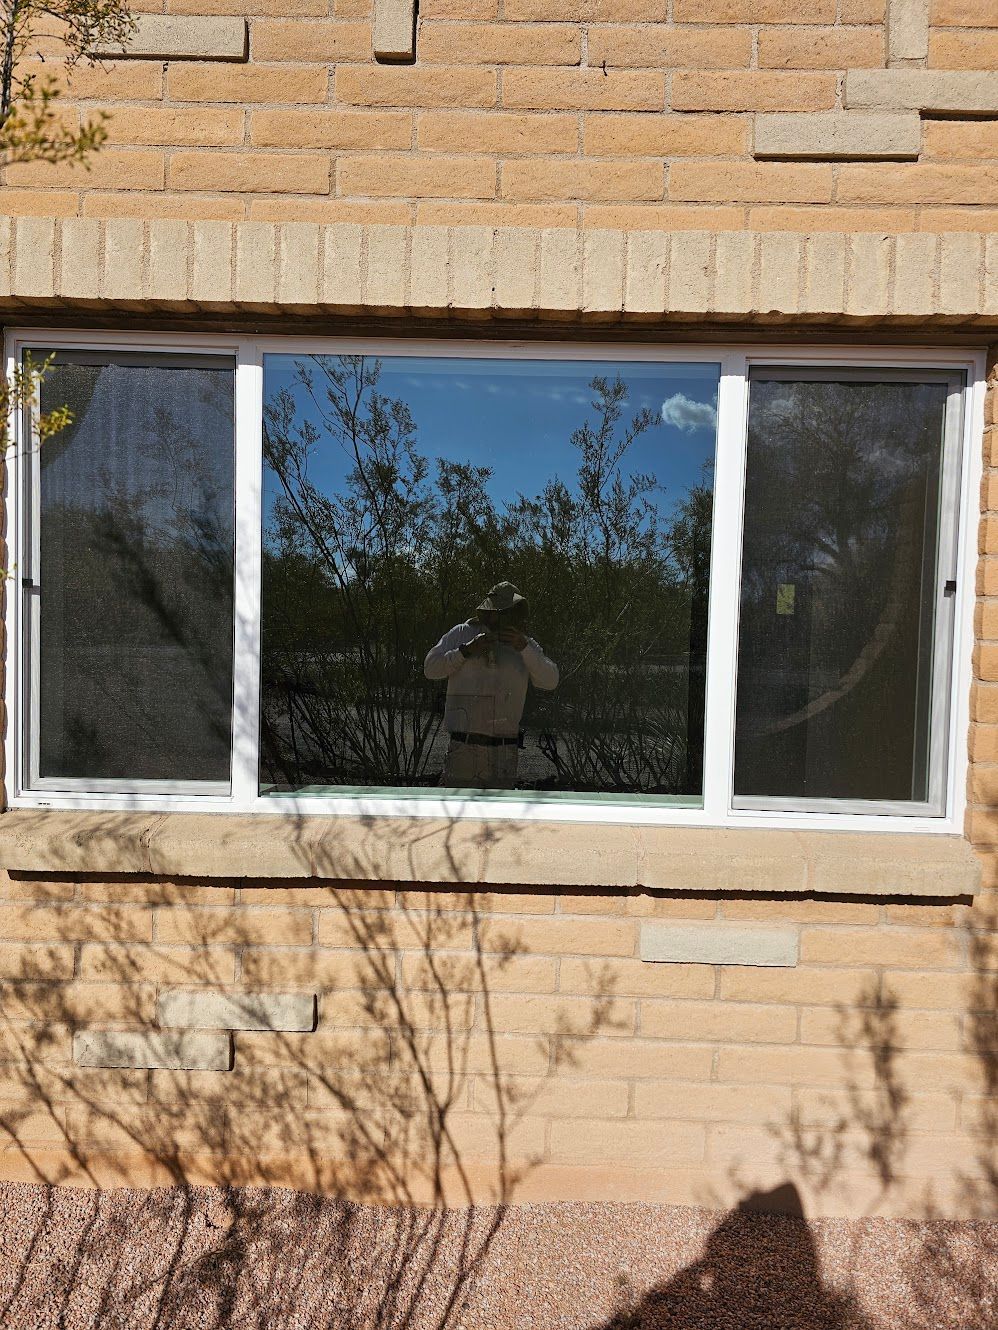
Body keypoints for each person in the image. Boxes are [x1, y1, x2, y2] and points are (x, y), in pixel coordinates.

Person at [424, 581, 558, 789]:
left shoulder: (524, 644)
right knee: (461, 817)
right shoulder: (462, 633)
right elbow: (431, 669)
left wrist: (525, 649)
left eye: (513, 612)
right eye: (505, 611)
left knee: (499, 819)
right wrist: (465, 651)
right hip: (464, 748)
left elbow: (550, 681)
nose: (510, 617)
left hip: (504, 751)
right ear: (492, 611)